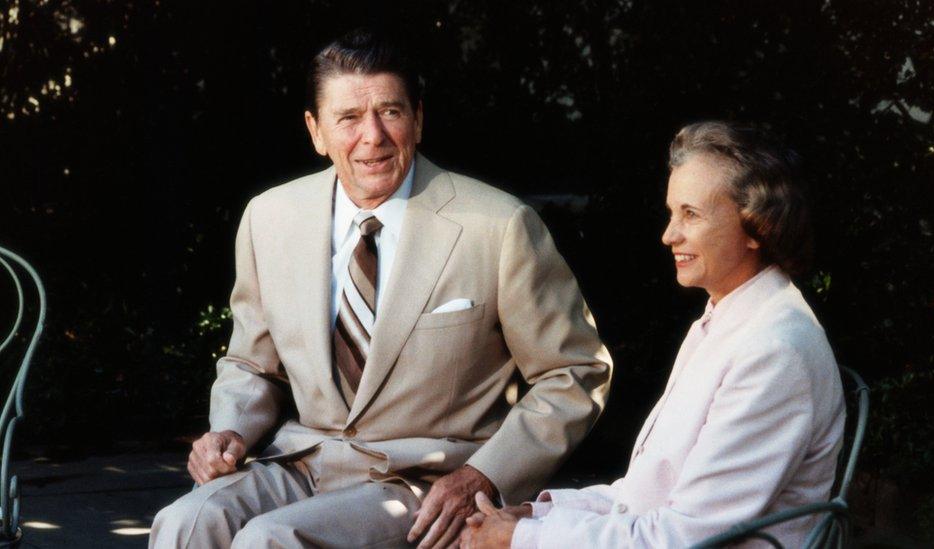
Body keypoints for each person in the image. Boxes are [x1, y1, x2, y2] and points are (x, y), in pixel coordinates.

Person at [149, 28, 611, 548]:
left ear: (418, 118)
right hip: (302, 463)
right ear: (315, 131)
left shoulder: (497, 225)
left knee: (270, 541)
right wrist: (229, 431)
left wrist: (488, 475)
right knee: (184, 521)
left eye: (390, 112)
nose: (372, 136)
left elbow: (574, 371)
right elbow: (253, 365)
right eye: (348, 118)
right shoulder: (270, 218)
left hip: (423, 484)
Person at [461, 121, 846, 548]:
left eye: (691, 214)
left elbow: (679, 538)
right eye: (671, 213)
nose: (668, 235)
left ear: (756, 224)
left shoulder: (773, 350)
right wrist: (535, 514)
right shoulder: (731, 317)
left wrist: (521, 539)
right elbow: (639, 497)